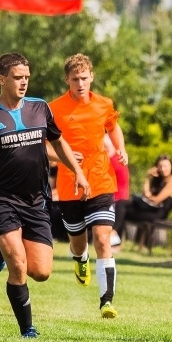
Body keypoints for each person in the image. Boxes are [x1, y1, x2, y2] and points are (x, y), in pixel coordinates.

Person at [0, 52, 90, 338]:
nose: (24, 83)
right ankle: (27, 329)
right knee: (18, 265)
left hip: (37, 201)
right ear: (1, 79)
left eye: (27, 78)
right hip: (2, 200)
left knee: (40, 272)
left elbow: (58, 141)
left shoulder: (40, 108)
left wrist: (77, 171)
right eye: (18, 78)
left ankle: (0, 247)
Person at [49, 53, 128, 319]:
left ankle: (107, 301)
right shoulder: (54, 109)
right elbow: (42, 144)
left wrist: (121, 148)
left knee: (103, 239)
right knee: (79, 243)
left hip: (101, 181)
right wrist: (64, 156)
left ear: (91, 76)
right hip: (69, 185)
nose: (80, 83)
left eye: (84, 78)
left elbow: (113, 126)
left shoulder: (104, 104)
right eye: (75, 79)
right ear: (67, 80)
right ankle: (80, 260)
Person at [113, 154, 172, 244]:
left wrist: (149, 197)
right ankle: (114, 238)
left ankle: (114, 238)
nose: (163, 169)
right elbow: (146, 195)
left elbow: (156, 200)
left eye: (165, 166)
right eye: (160, 166)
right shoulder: (160, 180)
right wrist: (148, 177)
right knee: (121, 204)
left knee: (122, 210)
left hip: (158, 214)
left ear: (171, 167)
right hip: (151, 209)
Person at [105, 134, 129, 249]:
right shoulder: (104, 159)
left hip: (118, 195)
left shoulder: (117, 160)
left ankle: (114, 237)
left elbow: (123, 185)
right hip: (108, 194)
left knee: (120, 207)